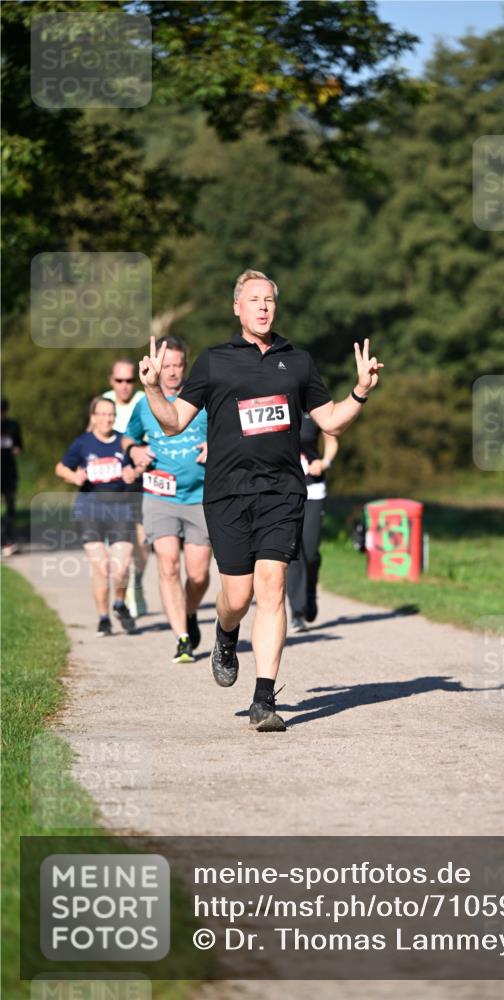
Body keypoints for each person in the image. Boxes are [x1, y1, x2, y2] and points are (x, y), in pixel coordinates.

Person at [138, 269, 383, 732]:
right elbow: (173, 422)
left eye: (269, 299)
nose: (263, 307)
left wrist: (361, 392)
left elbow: (331, 421)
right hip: (227, 493)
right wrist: (152, 387)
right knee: (237, 595)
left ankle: (263, 699)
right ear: (237, 308)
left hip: (282, 491)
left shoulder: (298, 361)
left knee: (272, 587)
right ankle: (225, 632)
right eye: (254, 299)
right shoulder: (214, 361)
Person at [123, 336, 211, 664]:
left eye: (178, 365)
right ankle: (182, 638)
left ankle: (189, 611)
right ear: (158, 368)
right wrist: (134, 450)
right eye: (167, 366)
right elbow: (128, 437)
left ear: (185, 366)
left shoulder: (201, 398)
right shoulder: (145, 403)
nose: (172, 372)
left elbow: (229, 432)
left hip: (201, 495)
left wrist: (214, 445)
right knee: (169, 564)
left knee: (198, 575)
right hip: (160, 495)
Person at [55, 396, 139, 636]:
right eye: (102, 414)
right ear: (93, 417)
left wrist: (134, 472)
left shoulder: (124, 441)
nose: (107, 419)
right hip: (89, 509)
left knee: (121, 568)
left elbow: (141, 463)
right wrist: (74, 477)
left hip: (121, 509)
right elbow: (60, 467)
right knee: (101, 568)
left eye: (110, 414)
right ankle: (103, 618)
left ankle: (119, 603)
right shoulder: (82, 443)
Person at [102, 359, 148, 618]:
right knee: (117, 545)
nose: (124, 385)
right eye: (119, 380)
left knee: (142, 541)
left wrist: (137, 470)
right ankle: (119, 594)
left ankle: (137, 583)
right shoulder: (104, 402)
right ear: (112, 381)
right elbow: (92, 437)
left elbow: (153, 442)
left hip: (139, 479)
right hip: (110, 483)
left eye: (129, 380)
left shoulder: (144, 400)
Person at [287, 418, 338, 632]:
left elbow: (332, 441)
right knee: (293, 551)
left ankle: (310, 591)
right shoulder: (278, 406)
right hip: (285, 489)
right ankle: (297, 612)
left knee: (310, 551)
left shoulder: (315, 410)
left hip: (313, 488)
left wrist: (324, 462)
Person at [1, 397, 23, 556]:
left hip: (9, 470)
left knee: (10, 507)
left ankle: (7, 541)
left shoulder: (13, 426)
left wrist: (14, 450)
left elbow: (19, 446)